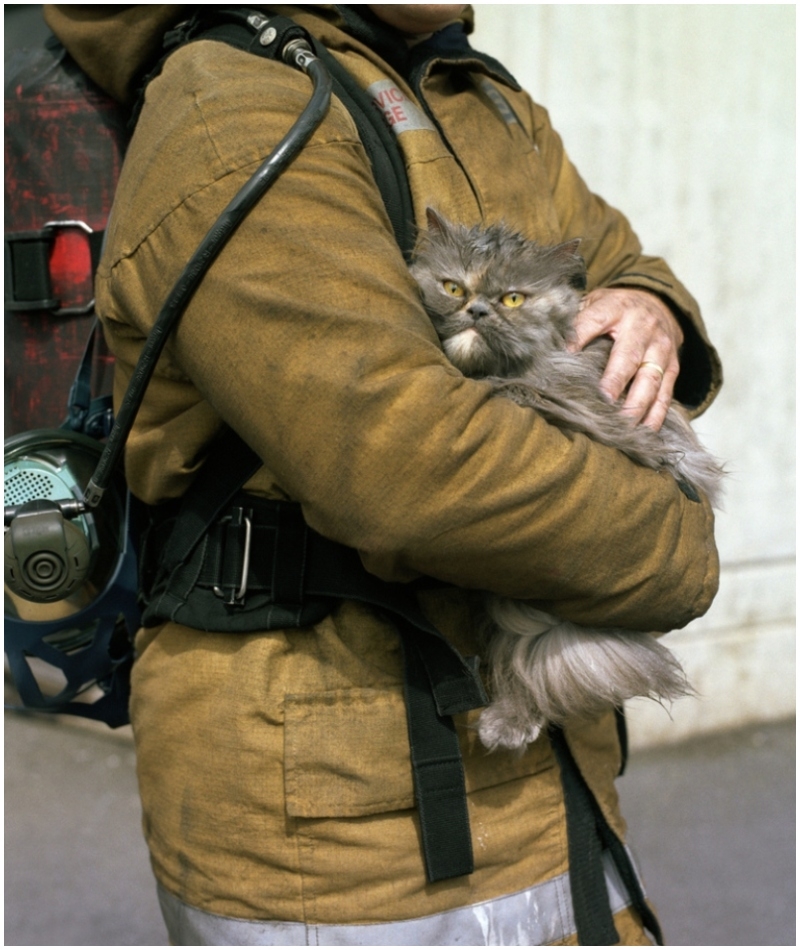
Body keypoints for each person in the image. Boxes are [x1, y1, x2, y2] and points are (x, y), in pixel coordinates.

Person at [43, 4, 722, 945]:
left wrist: (651, 305)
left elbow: (609, 253)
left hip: (550, 781)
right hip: (349, 831)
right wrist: (677, 548)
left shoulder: (476, 94)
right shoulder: (232, 102)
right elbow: (410, 468)